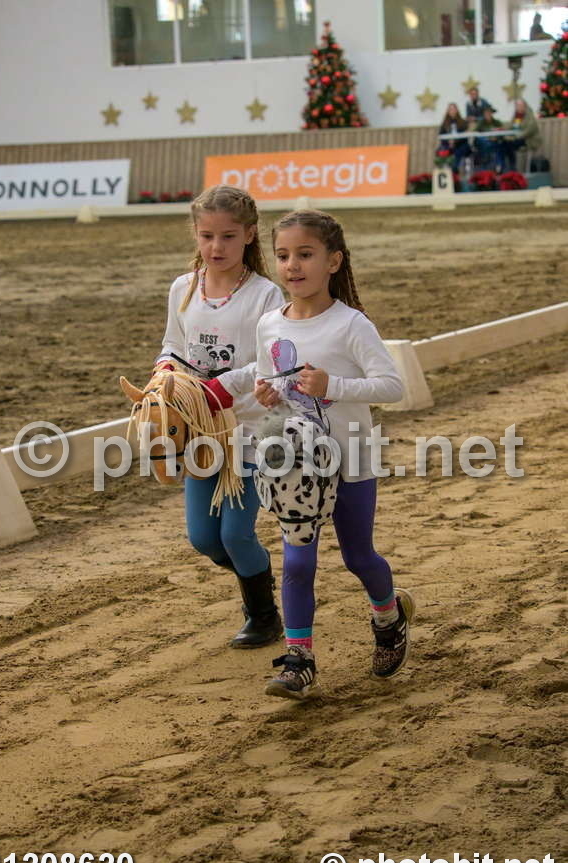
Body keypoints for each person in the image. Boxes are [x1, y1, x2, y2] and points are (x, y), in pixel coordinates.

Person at [254, 210, 414, 701]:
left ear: (333, 261)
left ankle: (388, 619)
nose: (292, 265)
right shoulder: (268, 325)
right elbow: (272, 388)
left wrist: (333, 385)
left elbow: (392, 386)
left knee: (358, 556)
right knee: (297, 563)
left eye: (305, 254)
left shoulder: (351, 324)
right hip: (297, 469)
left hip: (352, 462)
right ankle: (298, 660)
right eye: (283, 256)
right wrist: (267, 396)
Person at [147, 185, 285, 649]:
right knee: (205, 540)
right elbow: (172, 345)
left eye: (227, 236)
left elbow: (272, 362)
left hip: (252, 430)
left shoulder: (265, 295)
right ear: (196, 234)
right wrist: (165, 370)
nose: (216, 247)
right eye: (207, 236)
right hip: (201, 433)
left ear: (249, 235)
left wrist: (222, 387)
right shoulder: (183, 289)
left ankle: (264, 616)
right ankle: (258, 580)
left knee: (236, 534)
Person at [502, 99, 543, 171]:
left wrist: (516, 137)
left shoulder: (530, 116)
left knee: (510, 144)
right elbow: (511, 125)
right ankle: (508, 167)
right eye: (517, 106)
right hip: (518, 139)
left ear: (525, 106)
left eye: (520, 105)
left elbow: (529, 130)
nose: (518, 107)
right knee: (504, 144)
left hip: (529, 140)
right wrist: (502, 127)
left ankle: (512, 167)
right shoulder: (517, 116)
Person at [437, 103, 472, 173]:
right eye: (450, 109)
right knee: (440, 150)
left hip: (461, 145)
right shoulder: (444, 124)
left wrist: (455, 141)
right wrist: (449, 142)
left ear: (457, 110)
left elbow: (465, 137)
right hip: (448, 145)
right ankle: (443, 171)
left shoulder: (463, 122)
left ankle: (454, 169)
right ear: (448, 111)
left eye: (453, 109)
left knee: (460, 150)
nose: (452, 111)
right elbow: (441, 136)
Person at [474, 105, 505, 171]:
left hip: (495, 143)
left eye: (489, 112)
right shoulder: (481, 123)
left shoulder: (497, 122)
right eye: (486, 113)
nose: (488, 114)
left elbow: (502, 131)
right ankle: (487, 167)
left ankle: (498, 167)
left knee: (501, 147)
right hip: (483, 144)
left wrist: (497, 133)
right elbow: (476, 132)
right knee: (484, 144)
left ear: (492, 113)